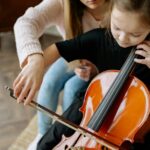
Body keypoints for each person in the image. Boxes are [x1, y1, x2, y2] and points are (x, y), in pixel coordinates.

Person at [13, 0, 150, 149]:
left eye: (135, 34)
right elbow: (59, 48)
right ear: (111, 13)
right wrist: (36, 64)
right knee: (46, 143)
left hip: (134, 120)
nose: (123, 38)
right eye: (117, 27)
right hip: (94, 102)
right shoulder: (100, 38)